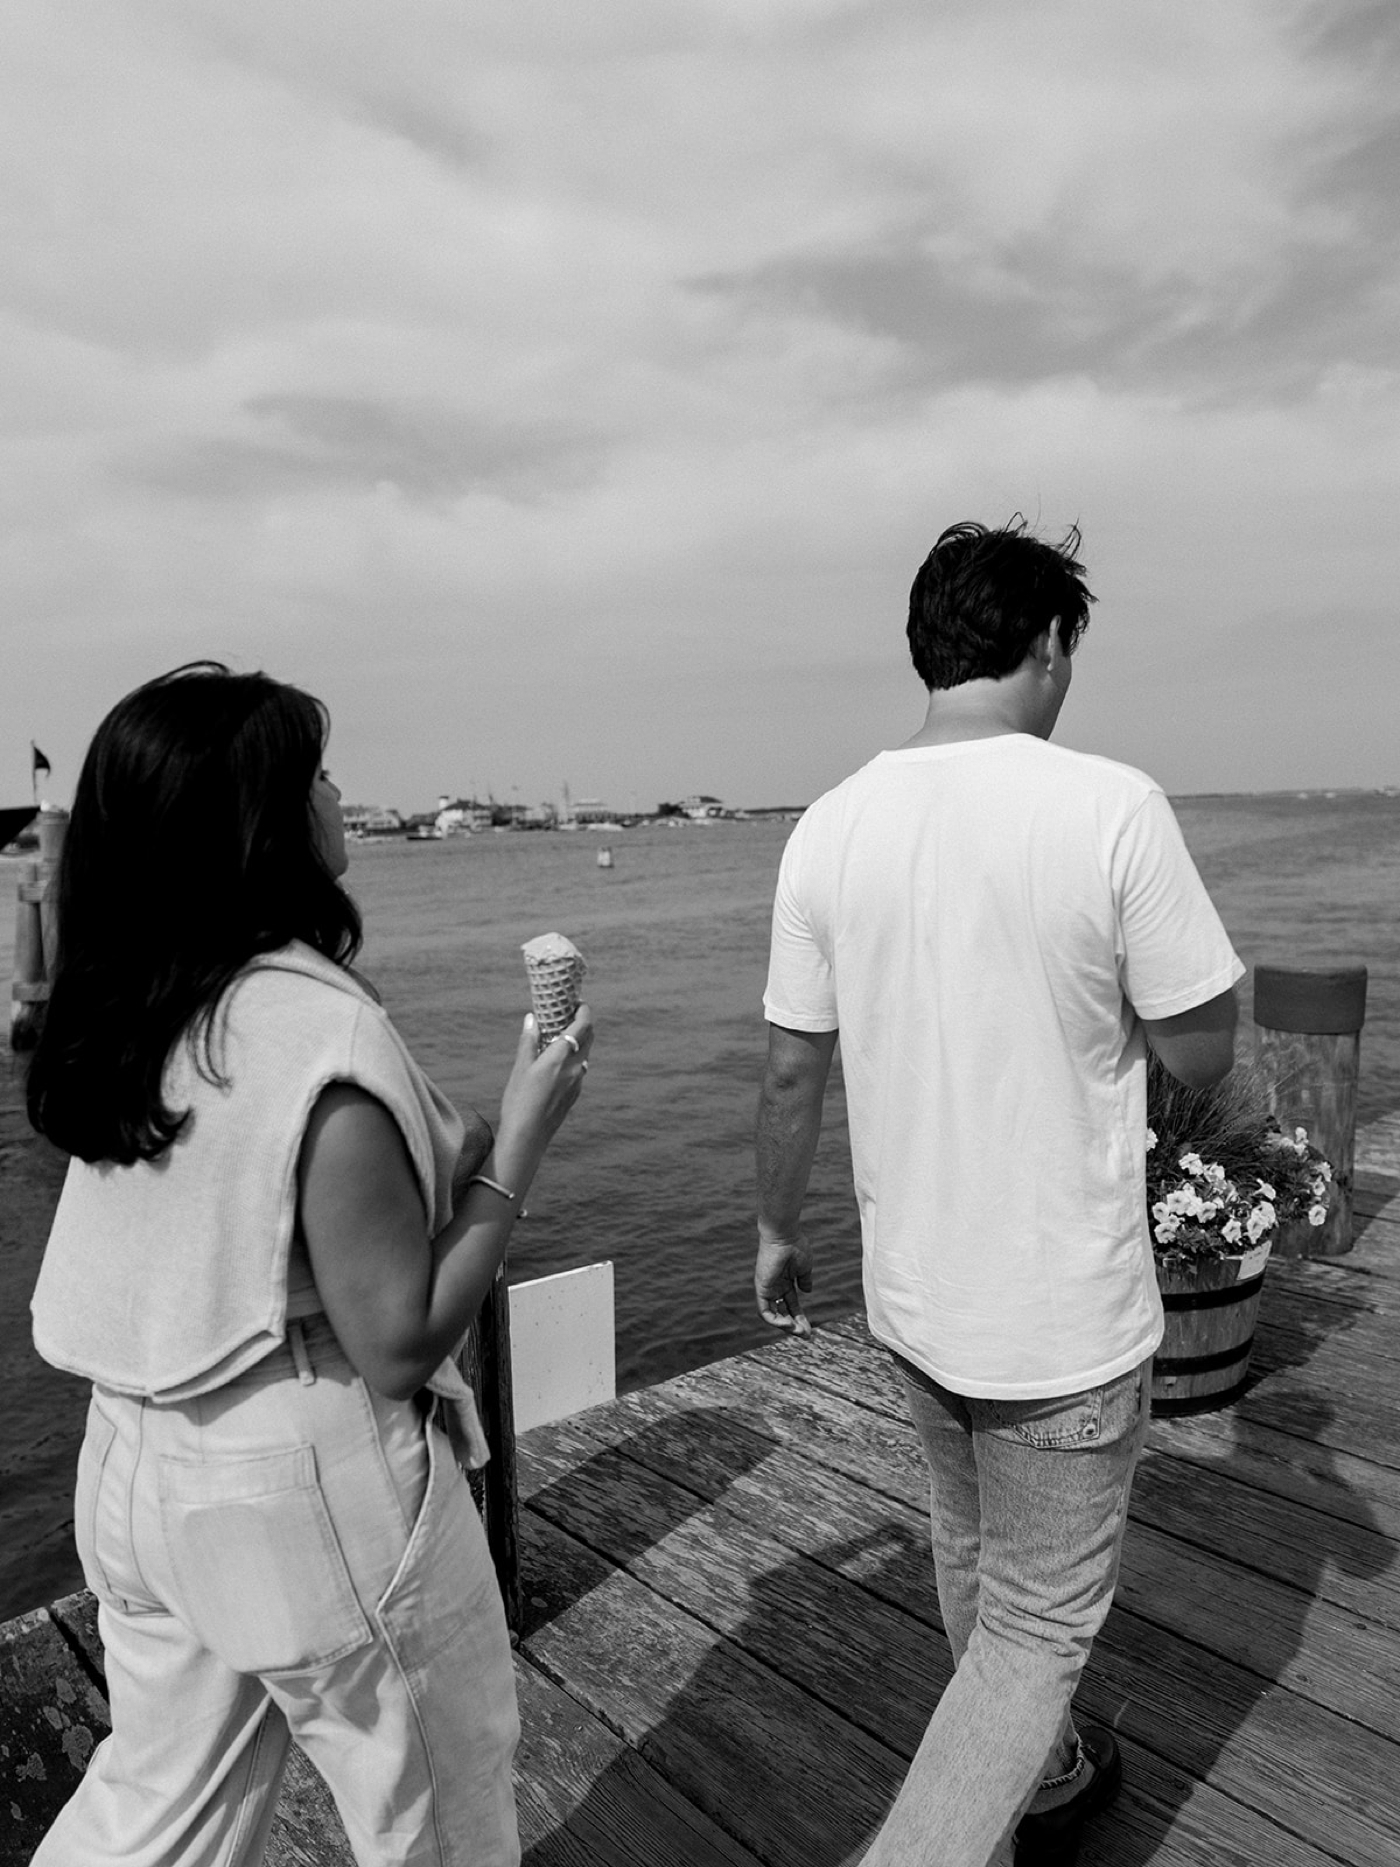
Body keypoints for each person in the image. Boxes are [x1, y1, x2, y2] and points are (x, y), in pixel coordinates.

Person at [27, 662, 593, 1866]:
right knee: (439, 1817)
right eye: (318, 773)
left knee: (156, 1811)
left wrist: (462, 1131)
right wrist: (523, 1144)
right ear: (266, 823)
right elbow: (397, 1339)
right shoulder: (318, 1030)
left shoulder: (144, 1006)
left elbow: (255, 1199)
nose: (340, 792)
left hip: (130, 1465)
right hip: (298, 1486)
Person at [753, 521, 1242, 1867]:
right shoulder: (1110, 805)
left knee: (969, 1541)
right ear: (1049, 643)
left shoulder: (827, 828)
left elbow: (793, 1073)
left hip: (915, 1299)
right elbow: (1205, 1044)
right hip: (1059, 1316)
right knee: (1037, 1631)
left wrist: (776, 1227)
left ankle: (1047, 1772)